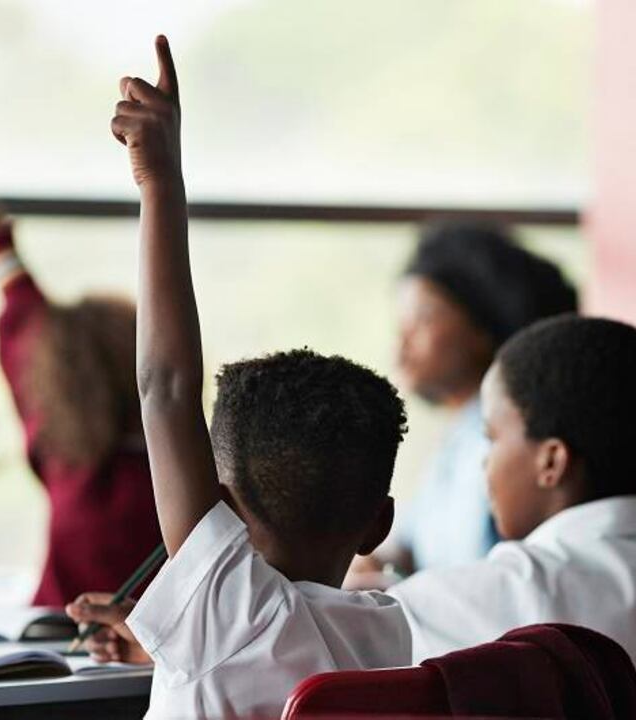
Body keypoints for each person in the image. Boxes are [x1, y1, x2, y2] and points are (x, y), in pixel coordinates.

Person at [65, 36, 411, 718]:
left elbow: (165, 387)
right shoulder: (385, 633)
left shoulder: (229, 615)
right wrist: (173, 637)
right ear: (379, 524)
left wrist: (160, 183)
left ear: (222, 513)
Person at [388, 315, 636, 719]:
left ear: (551, 462)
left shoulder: (521, 586)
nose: (485, 463)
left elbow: (359, 632)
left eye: (492, 438)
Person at [0, 154, 163, 607]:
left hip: (58, 631)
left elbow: (24, 317)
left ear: (57, 384)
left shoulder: (64, 459)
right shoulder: (184, 478)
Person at [352, 223, 577, 584]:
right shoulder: (456, 437)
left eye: (423, 318)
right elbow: (410, 541)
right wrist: (380, 561)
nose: (402, 340)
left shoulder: (509, 442)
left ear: (481, 329)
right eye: (401, 321)